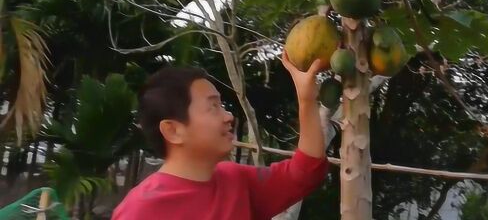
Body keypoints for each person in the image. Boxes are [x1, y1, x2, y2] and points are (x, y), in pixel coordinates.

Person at [112, 52, 329, 219]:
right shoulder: (140, 211)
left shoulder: (236, 181)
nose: (228, 116)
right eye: (213, 107)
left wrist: (307, 100)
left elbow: (305, 172)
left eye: (222, 105)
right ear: (173, 130)